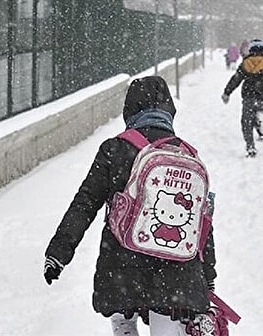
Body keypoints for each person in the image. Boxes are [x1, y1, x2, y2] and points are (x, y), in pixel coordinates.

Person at [43, 76, 217, 336]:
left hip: (122, 264)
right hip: (176, 273)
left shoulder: (115, 149)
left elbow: (86, 202)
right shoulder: (186, 155)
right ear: (169, 110)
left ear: (130, 110)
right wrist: (208, 274)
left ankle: (124, 325)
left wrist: (59, 252)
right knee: (168, 323)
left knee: (122, 310)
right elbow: (200, 222)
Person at [221, 39, 263, 157]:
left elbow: (236, 79)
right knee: (261, 111)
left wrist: (227, 93)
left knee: (246, 122)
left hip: (249, 97)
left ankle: (250, 146)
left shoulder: (245, 64)